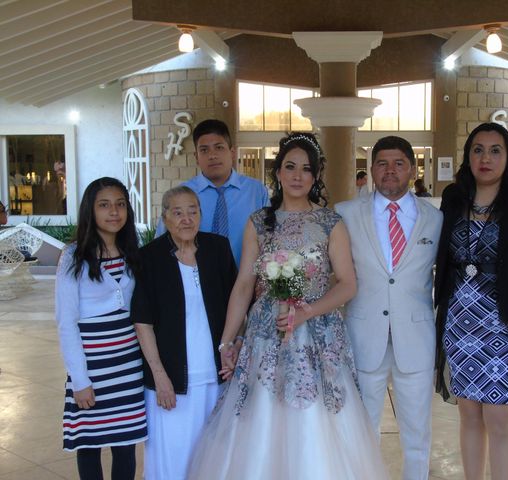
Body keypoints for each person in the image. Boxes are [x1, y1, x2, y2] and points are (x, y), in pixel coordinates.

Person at [188, 133, 389, 479]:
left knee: (316, 420)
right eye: (290, 167)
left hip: (318, 332)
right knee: (263, 414)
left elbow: (348, 284)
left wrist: (309, 310)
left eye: (306, 169)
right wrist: (227, 340)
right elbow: (244, 286)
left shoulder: (330, 223)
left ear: (315, 177)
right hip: (266, 333)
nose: (297, 175)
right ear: (278, 172)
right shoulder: (259, 222)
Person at [434, 123, 508, 480]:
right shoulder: (454, 199)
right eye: (478, 150)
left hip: (506, 329)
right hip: (459, 326)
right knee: (469, 416)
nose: (486, 158)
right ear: (468, 156)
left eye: (495, 150)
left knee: (501, 421)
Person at [335, 135, 443, 480]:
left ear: (412, 168)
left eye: (398, 163)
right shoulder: (346, 213)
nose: (390, 170)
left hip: (416, 336)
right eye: (382, 163)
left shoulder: (435, 218)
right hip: (364, 335)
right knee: (363, 431)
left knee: (417, 434)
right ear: (371, 169)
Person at [131, 186, 237, 480]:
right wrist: (159, 376)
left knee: (213, 454)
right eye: (177, 213)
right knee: (173, 456)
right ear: (165, 218)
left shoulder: (218, 248)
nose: (186, 219)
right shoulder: (149, 258)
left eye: (193, 211)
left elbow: (237, 303)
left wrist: (236, 344)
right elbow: (143, 321)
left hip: (216, 375)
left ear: (201, 215)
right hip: (171, 381)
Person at [54, 177, 147, 480]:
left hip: (128, 366)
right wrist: (80, 379)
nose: (114, 212)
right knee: (90, 445)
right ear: (90, 210)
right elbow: (66, 323)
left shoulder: (134, 251)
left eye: (120, 204)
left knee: (125, 445)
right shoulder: (73, 257)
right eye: (104, 205)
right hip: (92, 368)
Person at [155, 119, 269, 266]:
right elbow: (162, 242)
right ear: (196, 157)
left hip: (246, 280)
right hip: (195, 282)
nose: (212, 155)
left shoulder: (256, 191)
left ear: (232, 153)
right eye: (204, 150)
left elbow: (270, 241)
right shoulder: (182, 195)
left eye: (219, 148)